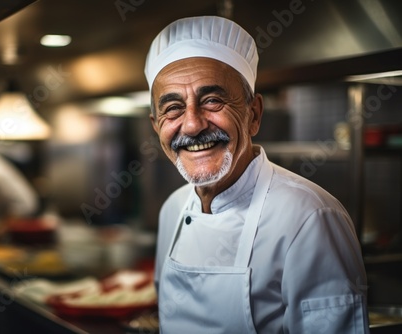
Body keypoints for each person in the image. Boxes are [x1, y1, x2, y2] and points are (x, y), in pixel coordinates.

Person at [145, 16, 369, 333]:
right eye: (173, 108)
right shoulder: (172, 210)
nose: (192, 125)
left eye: (212, 100)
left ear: (254, 114)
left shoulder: (311, 218)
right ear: (157, 127)